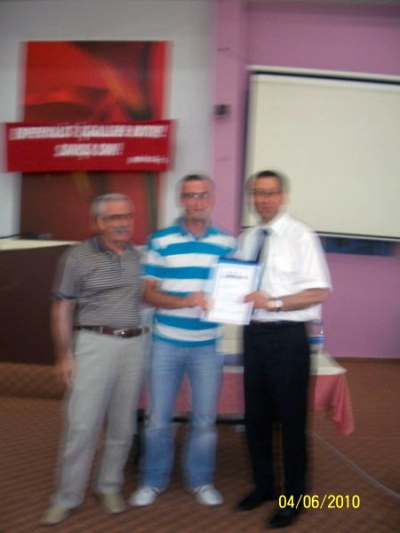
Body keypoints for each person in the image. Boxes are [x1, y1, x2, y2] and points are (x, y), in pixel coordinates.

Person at [40, 193, 149, 526]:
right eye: (114, 217)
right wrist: (64, 356)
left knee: (122, 425)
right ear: (98, 222)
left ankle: (109, 485)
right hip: (93, 344)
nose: (123, 223)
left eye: (127, 216)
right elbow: (62, 308)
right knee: (82, 425)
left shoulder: (139, 256)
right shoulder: (77, 256)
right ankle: (66, 496)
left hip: (134, 345)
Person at [129, 174, 237, 507]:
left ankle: (200, 480)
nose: (196, 201)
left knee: (204, 421)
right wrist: (185, 300)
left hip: (208, 345)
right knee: (158, 419)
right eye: (189, 195)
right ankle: (153, 480)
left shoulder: (228, 243)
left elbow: (233, 292)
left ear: (212, 199)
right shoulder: (160, 241)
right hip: (166, 343)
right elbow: (147, 293)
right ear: (181, 200)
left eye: (202, 195)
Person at [235, 170, 331, 529]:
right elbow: (238, 286)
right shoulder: (247, 238)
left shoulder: (301, 236)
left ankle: (294, 498)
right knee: (256, 419)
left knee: (291, 422)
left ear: (283, 196)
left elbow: (319, 291)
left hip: (288, 337)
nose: (263, 200)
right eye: (257, 193)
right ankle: (263, 486)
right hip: (253, 336)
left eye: (270, 193)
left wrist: (273, 303)